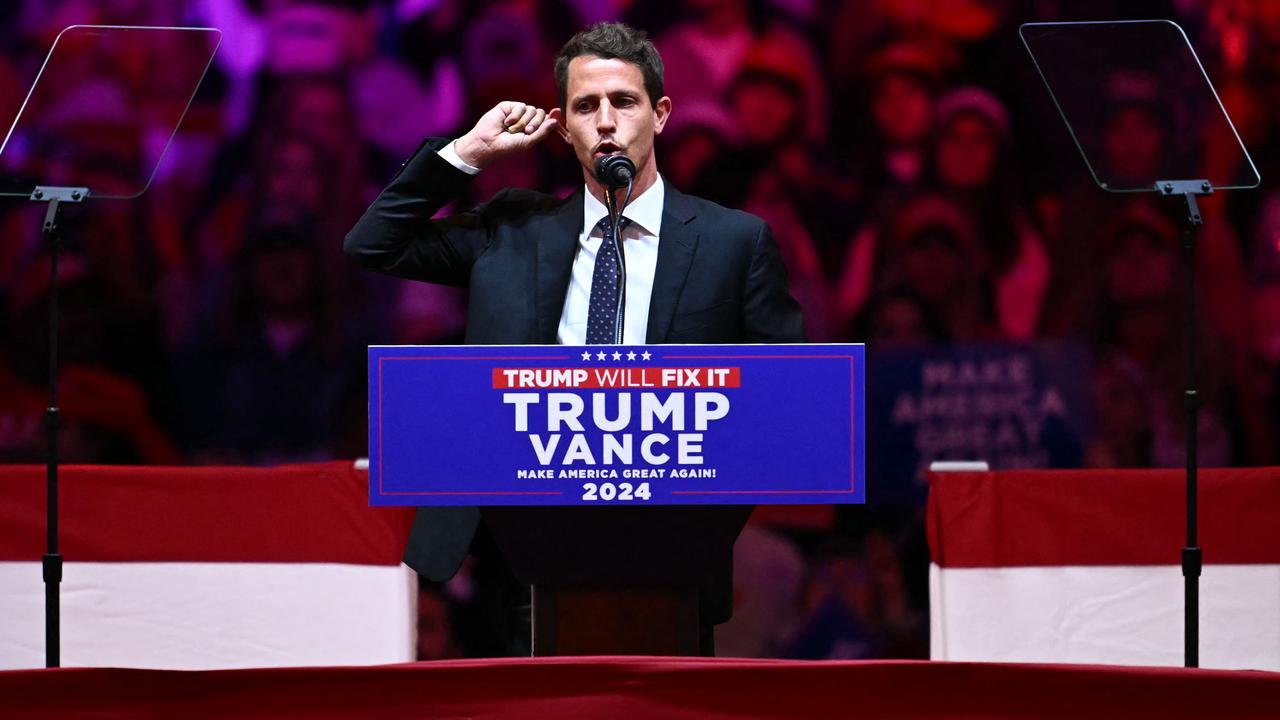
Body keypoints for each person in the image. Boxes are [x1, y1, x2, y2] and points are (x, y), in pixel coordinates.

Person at [345, 22, 805, 655]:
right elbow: (374, 243)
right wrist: (467, 153)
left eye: (624, 101)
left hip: (672, 545)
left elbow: (782, 396)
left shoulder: (735, 242)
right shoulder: (512, 228)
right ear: (565, 128)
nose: (607, 121)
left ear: (661, 114)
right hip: (517, 547)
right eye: (587, 107)